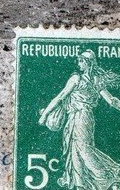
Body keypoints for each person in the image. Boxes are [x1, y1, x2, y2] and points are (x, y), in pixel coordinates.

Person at [39, 50, 120, 189]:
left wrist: (45, 115)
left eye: (81, 61)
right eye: (79, 60)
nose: (79, 63)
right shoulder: (95, 80)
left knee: (83, 149)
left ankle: (110, 175)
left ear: (88, 63)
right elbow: (112, 101)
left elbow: (60, 97)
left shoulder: (77, 79)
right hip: (80, 118)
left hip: (81, 118)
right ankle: (80, 185)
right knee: (74, 150)